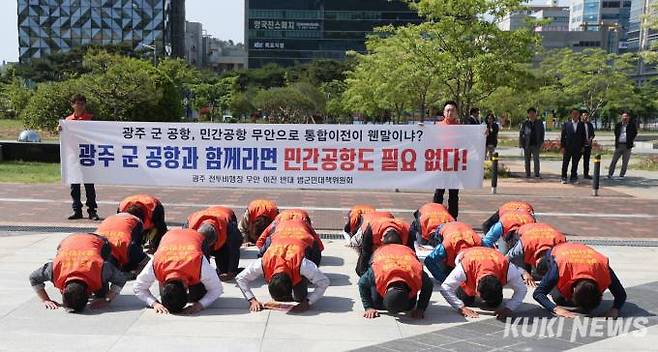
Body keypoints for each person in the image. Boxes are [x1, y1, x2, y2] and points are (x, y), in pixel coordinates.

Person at [29, 233, 127, 312]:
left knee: (101, 293)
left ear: (88, 294)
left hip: (98, 241)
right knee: (100, 291)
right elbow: (33, 278)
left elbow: (121, 279)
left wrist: (107, 299)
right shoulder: (54, 269)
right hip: (69, 240)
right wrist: (45, 300)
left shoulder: (101, 269)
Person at [133, 229, 223, 314]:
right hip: (170, 236)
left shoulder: (199, 263)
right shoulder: (156, 263)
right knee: (172, 297)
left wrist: (199, 305)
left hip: (195, 237)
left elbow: (217, 289)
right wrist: (154, 303)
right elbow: (138, 287)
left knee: (198, 295)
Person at [235, 236, 330, 313]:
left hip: (305, 240)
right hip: (278, 237)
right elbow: (240, 278)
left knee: (300, 298)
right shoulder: (263, 263)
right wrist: (252, 300)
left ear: (292, 283)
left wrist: (308, 302)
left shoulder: (303, 265)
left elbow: (324, 282)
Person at [533, 243, 626, 318]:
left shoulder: (603, 269)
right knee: (559, 298)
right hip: (558, 250)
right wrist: (555, 309)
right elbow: (538, 293)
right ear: (573, 291)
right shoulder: (560, 267)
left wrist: (615, 309)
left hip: (581, 253)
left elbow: (621, 294)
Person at [440, 247, 527, 319]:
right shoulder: (465, 267)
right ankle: (465, 292)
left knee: (494, 304)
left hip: (491, 256)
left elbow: (522, 289)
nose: (481, 300)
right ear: (477, 288)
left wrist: (509, 308)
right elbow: (445, 287)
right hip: (467, 254)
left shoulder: (507, 268)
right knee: (466, 300)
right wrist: (460, 307)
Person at [359, 244, 433, 319]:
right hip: (382, 250)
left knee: (410, 306)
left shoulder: (416, 273)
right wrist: (368, 307)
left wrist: (420, 309)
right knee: (376, 302)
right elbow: (362, 283)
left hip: (405, 251)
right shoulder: (377, 272)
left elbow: (429, 285)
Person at [63, 94, 99, 221]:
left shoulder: (91, 119)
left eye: (82, 103)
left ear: (85, 105)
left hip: (87, 155)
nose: (79, 106)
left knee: (89, 184)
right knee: (75, 184)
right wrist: (60, 130)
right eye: (77, 103)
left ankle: (92, 210)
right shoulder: (67, 121)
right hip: (73, 156)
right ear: (72, 105)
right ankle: (77, 210)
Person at [184, 206, 243, 281]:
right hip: (209, 213)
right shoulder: (189, 227)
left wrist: (231, 272)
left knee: (224, 271)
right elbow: (186, 250)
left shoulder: (228, 227)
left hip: (225, 213)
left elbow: (234, 250)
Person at [95, 206, 149, 275]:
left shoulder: (110, 218)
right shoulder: (136, 220)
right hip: (118, 246)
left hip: (96, 246)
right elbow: (138, 243)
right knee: (146, 261)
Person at [434, 101, 461, 219]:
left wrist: (482, 134)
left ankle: (453, 218)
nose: (450, 112)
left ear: (456, 113)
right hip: (441, 164)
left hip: (455, 165)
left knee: (454, 194)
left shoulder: (462, 128)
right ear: (444, 113)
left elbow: (474, 139)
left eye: (452, 110)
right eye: (447, 110)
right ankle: (435, 216)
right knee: (439, 192)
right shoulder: (437, 126)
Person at [258, 219, 323, 266]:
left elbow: (261, 255)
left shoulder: (272, 238)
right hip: (299, 222)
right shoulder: (272, 238)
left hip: (290, 224)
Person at [608, 112, 638, 180]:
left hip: (627, 146)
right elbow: (616, 133)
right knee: (614, 160)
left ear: (628, 118)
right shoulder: (618, 125)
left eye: (626, 117)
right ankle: (610, 174)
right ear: (621, 118)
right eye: (623, 117)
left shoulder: (632, 125)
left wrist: (630, 140)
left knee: (625, 161)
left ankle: (621, 175)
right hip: (619, 145)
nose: (625, 118)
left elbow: (635, 133)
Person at [560, 109, 586, 184]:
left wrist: (582, 146)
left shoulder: (581, 125)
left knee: (575, 164)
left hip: (577, 148)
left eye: (577, 114)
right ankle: (563, 177)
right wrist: (562, 147)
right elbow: (563, 136)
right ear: (571, 115)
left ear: (579, 115)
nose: (575, 115)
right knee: (565, 163)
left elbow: (583, 137)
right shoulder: (566, 124)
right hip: (567, 147)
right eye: (573, 113)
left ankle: (573, 177)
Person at [519, 107, 545, 179]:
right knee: (527, 160)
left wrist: (542, 142)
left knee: (536, 159)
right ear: (528, 114)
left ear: (535, 114)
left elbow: (542, 133)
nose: (532, 114)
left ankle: (537, 174)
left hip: (536, 144)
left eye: (533, 113)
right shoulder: (525, 123)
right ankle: (528, 174)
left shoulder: (539, 123)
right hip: (527, 144)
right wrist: (521, 143)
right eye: (530, 113)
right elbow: (521, 133)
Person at [581, 111, 596, 179]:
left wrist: (590, 138)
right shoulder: (579, 124)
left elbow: (593, 134)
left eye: (587, 115)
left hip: (588, 145)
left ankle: (586, 174)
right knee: (576, 160)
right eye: (584, 115)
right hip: (580, 146)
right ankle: (574, 174)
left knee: (586, 160)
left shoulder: (590, 124)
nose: (585, 117)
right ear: (581, 116)